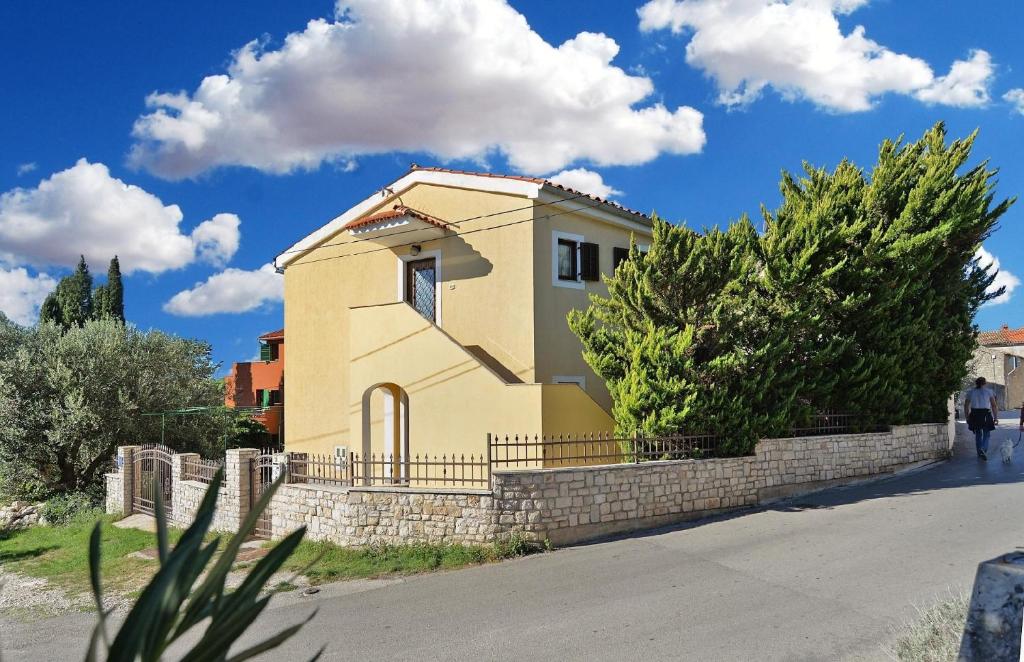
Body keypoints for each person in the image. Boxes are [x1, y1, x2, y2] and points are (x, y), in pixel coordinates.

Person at [964, 377, 998, 460]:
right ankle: (983, 449)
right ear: (985, 383)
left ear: (976, 383)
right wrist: (995, 418)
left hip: (974, 414)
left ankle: (980, 452)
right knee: (986, 433)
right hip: (985, 414)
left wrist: (967, 417)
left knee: (978, 434)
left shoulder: (971, 392)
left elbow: (966, 406)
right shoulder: (989, 392)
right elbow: (994, 405)